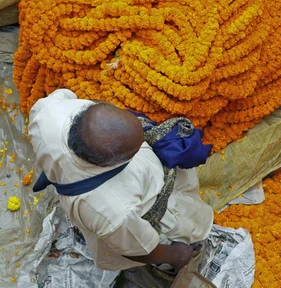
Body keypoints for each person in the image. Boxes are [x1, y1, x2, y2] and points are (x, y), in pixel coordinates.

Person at [29, 89, 214, 272]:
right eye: (135, 152)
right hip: (155, 214)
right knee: (188, 223)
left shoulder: (49, 113)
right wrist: (176, 254)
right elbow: (140, 250)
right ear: (107, 164)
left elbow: (65, 95)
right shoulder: (112, 210)